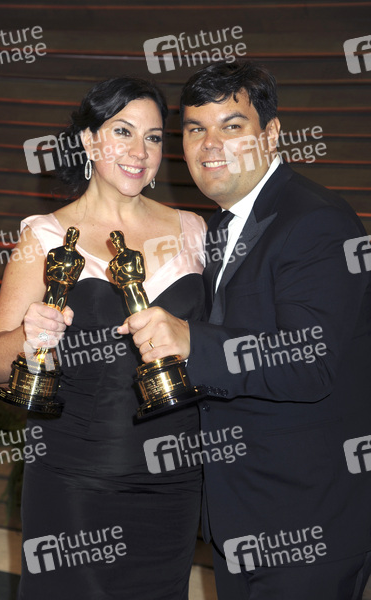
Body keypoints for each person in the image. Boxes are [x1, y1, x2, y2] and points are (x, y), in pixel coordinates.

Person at [118, 61, 371, 599]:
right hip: (242, 514)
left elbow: (309, 363)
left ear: (271, 133)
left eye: (231, 126)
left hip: (307, 523)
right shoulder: (223, 224)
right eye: (195, 129)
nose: (210, 145)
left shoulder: (316, 220)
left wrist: (192, 341)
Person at [0, 76, 207, 599]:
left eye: (153, 137)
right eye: (123, 131)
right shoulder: (43, 236)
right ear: (88, 139)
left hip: (174, 480)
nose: (139, 151)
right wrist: (28, 335)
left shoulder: (194, 231)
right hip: (76, 479)